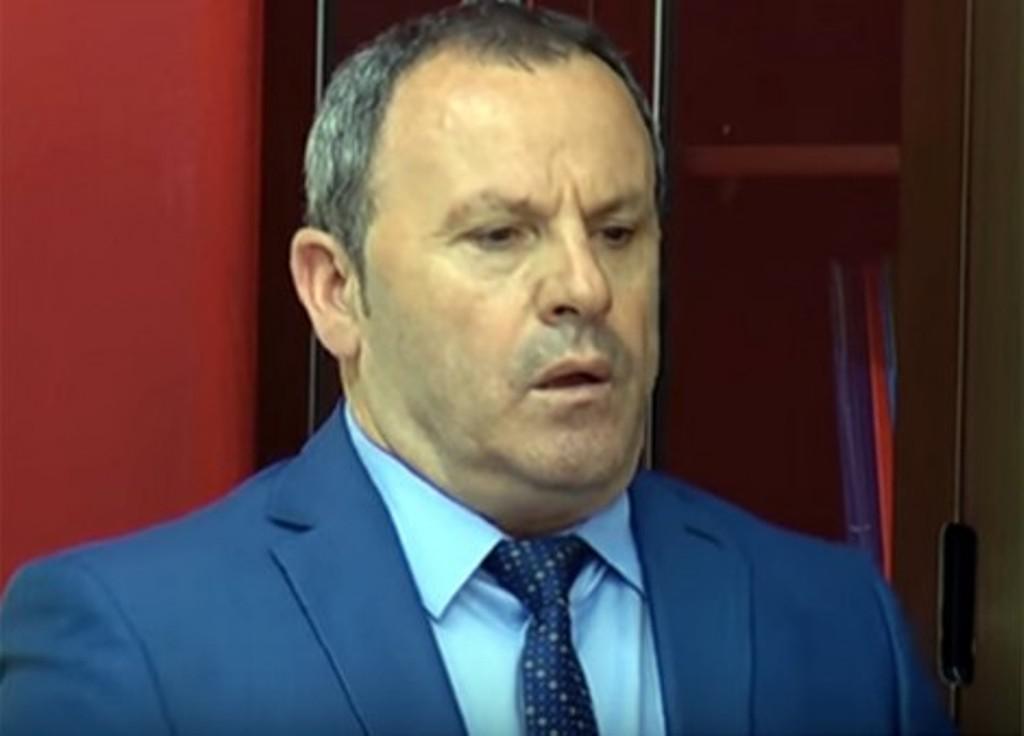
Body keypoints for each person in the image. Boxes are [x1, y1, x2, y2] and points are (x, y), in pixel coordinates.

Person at [0, 3, 952, 734]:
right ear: (336, 290)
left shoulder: (839, 627)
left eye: (619, 232)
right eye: (500, 235)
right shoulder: (138, 647)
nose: (583, 286)